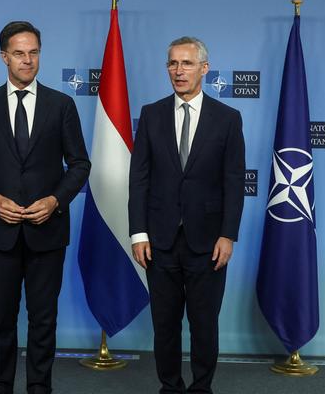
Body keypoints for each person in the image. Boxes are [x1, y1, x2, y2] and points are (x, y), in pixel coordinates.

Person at [0, 21, 90, 394]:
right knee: (1, 318)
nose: (27, 60)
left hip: (47, 231)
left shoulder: (61, 105)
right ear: (4, 57)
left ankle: (38, 387)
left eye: (33, 52)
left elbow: (80, 164)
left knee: (43, 318)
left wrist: (55, 200)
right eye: (19, 53)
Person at [128, 37, 245, 393]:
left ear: (204, 69)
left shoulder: (227, 118)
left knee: (204, 323)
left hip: (208, 241)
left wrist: (228, 234)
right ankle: (170, 386)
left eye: (187, 64)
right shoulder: (151, 114)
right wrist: (138, 233)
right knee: (164, 324)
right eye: (172, 64)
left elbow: (234, 182)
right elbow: (139, 179)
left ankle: (202, 387)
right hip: (159, 240)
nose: (178, 71)